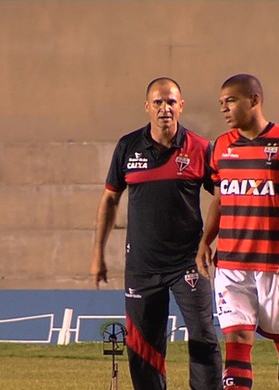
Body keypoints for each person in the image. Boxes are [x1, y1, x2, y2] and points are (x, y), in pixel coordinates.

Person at [90, 77, 223, 390]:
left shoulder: (201, 148)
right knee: (144, 347)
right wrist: (98, 255)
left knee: (203, 336)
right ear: (147, 107)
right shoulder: (128, 147)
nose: (165, 108)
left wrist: (208, 242)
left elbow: (222, 196)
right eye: (159, 102)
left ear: (181, 106)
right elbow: (109, 200)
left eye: (171, 102)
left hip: (189, 264)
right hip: (142, 266)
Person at [196, 74, 279, 390]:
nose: (224, 109)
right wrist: (205, 242)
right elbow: (220, 198)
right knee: (236, 339)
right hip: (231, 265)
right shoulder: (221, 147)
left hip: (276, 266)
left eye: (231, 101)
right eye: (221, 103)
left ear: (254, 100)